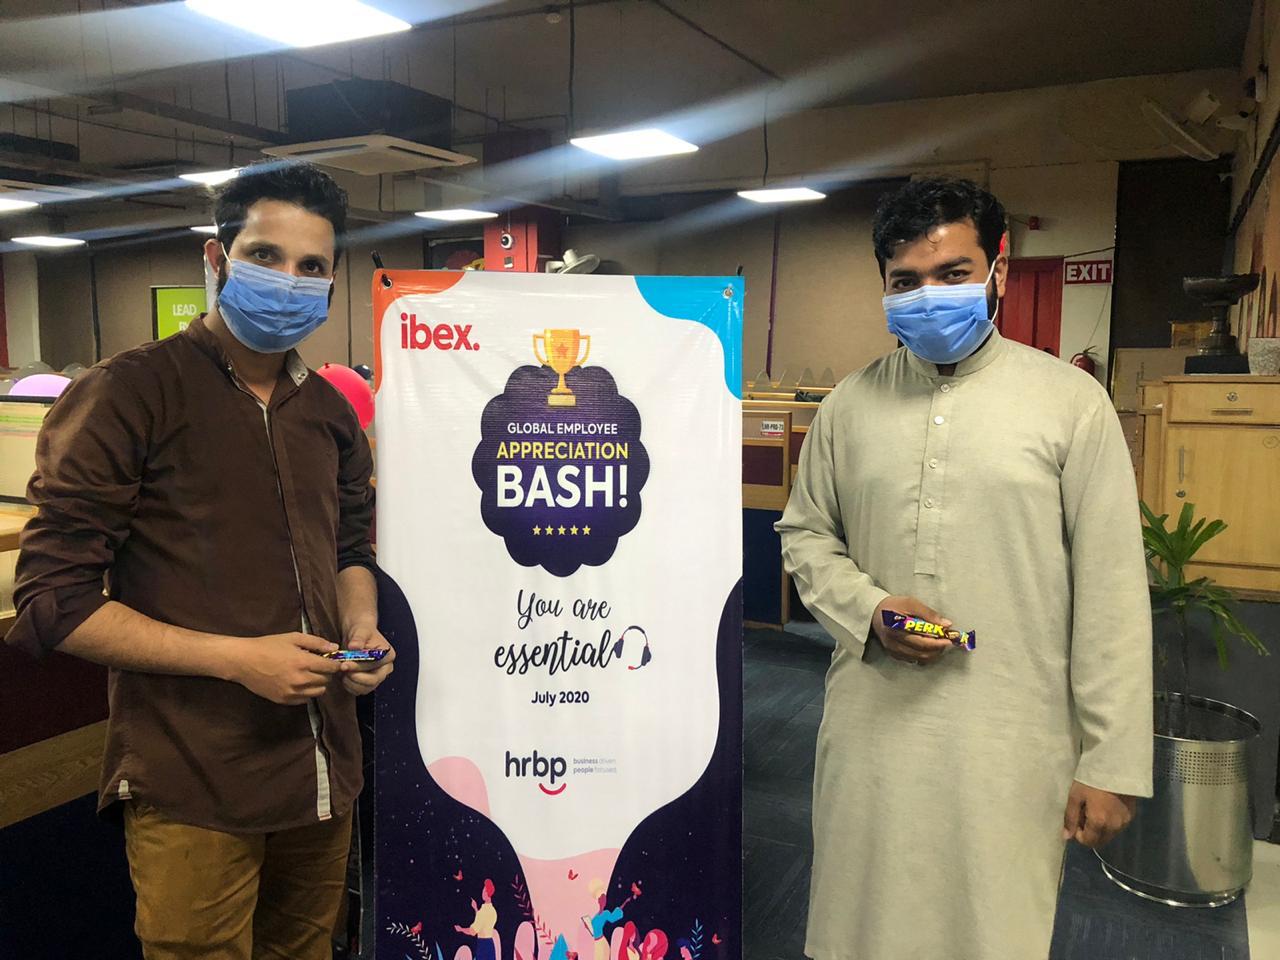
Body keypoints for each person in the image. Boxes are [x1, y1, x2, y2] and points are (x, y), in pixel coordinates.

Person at [7, 159, 395, 960]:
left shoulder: (327, 413)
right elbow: (54, 598)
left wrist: (362, 627)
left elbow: (351, 547)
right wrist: (236, 660)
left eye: (311, 266)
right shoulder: (129, 393)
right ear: (217, 259)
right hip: (193, 780)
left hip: (323, 770)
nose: (289, 281)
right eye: (265, 256)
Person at [776, 177, 1152, 960]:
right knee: (861, 923)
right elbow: (806, 536)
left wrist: (1111, 760)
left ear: (998, 272)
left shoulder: (1069, 404)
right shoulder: (848, 406)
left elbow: (1112, 588)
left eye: (952, 273)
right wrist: (871, 609)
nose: (929, 296)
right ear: (884, 287)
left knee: (990, 927)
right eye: (906, 281)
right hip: (873, 727)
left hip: (1010, 734)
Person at [455, 878, 499, 960]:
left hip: (483, 946)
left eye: (483, 890)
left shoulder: (483, 912)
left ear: (486, 893)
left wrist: (461, 929)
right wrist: (475, 909)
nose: (482, 892)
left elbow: (473, 931)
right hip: (490, 945)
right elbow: (481, 923)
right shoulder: (493, 911)